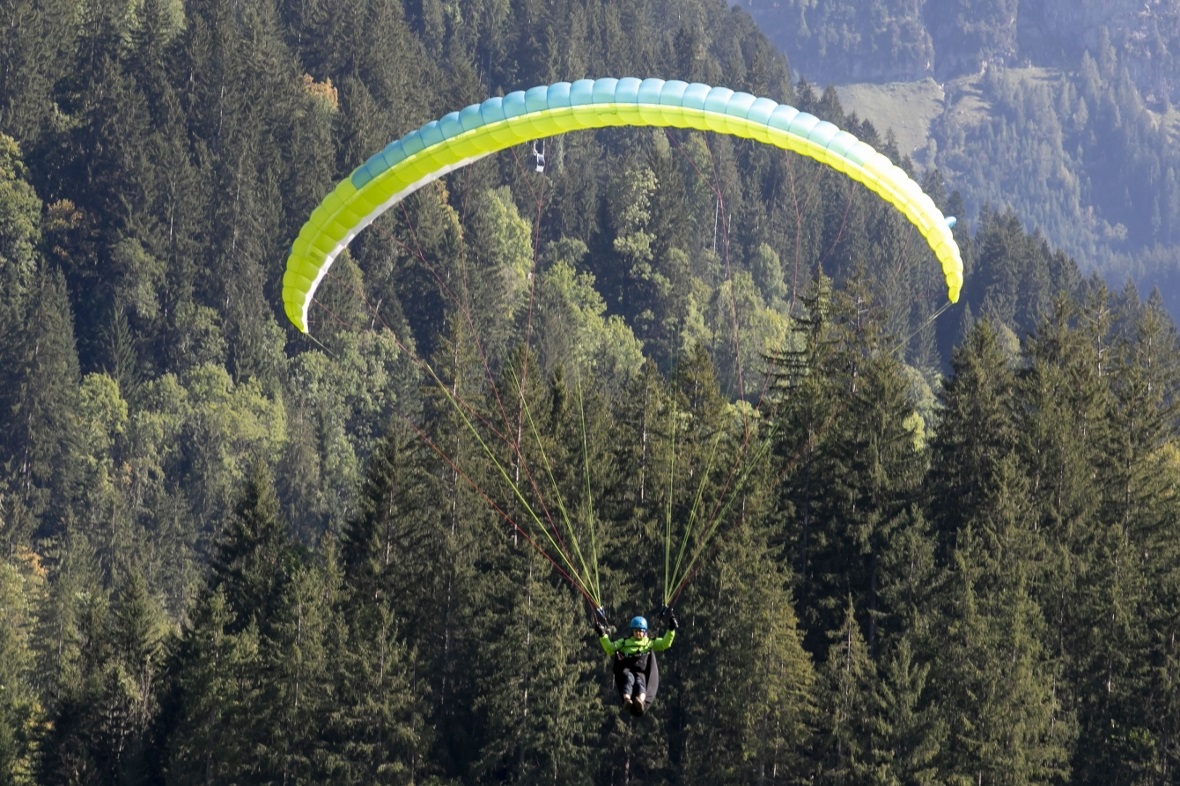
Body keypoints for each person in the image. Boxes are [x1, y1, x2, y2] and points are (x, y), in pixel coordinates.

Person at [594, 611, 677, 714]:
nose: (638, 633)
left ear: (644, 631)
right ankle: (627, 700)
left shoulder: (649, 643)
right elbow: (609, 648)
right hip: (627, 670)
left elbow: (665, 643)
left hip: (641, 672)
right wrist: (602, 635)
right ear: (632, 631)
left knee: (640, 684)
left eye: (640, 631)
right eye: (636, 631)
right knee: (629, 680)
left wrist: (671, 630)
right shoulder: (624, 643)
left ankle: (640, 701)